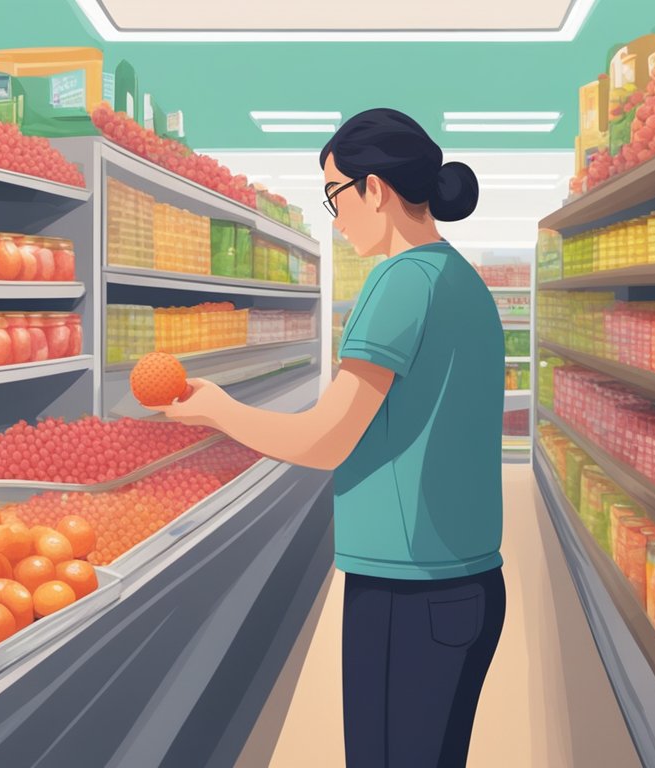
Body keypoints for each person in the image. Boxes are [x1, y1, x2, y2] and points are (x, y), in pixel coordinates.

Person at [153, 108, 506, 767]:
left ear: (375, 189)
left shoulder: (400, 281)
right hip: (468, 583)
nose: (336, 221)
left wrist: (220, 411)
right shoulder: (462, 281)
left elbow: (326, 440)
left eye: (335, 196)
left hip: (408, 590)